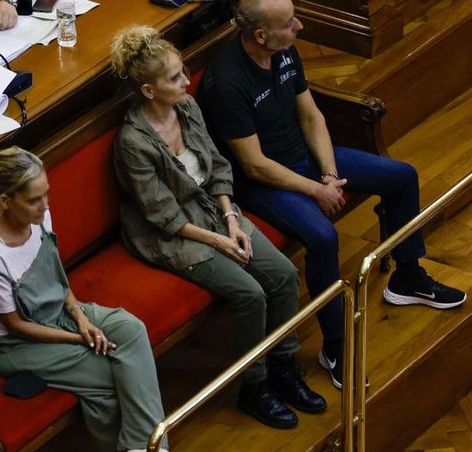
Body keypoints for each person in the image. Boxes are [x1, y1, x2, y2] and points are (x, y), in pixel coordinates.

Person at [198, 0, 466, 388]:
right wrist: (314, 192)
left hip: (306, 161)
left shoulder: (284, 50)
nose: (300, 27)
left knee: (402, 176)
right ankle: (335, 345)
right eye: (290, 24)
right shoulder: (226, 81)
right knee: (323, 238)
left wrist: (327, 174)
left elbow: (310, 116)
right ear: (260, 36)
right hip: (265, 182)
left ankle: (407, 278)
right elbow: (254, 166)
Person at [109, 26, 325, 430]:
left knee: (281, 275)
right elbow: (162, 216)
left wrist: (230, 218)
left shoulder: (187, 107)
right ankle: (253, 386)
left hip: (213, 213)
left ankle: (283, 365)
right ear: (149, 91)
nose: (185, 79)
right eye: (173, 77)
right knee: (250, 294)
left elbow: (218, 166)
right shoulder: (132, 142)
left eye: (182, 70)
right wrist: (220, 240)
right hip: (172, 235)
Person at [0, 147, 168, 452]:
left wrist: (81, 318)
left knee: (131, 329)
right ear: (6, 201)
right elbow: (16, 326)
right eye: (34, 200)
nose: (45, 206)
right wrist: (77, 338)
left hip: (57, 313)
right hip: (15, 345)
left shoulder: (40, 216)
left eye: (46, 194)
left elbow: (58, 279)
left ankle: (143, 448)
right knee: (112, 377)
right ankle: (150, 447)